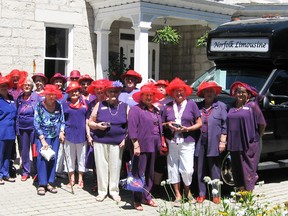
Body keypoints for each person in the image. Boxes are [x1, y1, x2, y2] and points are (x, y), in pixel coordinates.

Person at [162, 77, 202, 207]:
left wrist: (187, 129)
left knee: (187, 169)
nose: (179, 93)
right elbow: (161, 123)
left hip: (187, 141)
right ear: (172, 93)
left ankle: (187, 191)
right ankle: (178, 195)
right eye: (176, 91)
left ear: (186, 92)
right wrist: (168, 124)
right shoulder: (167, 106)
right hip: (172, 142)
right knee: (173, 169)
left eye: (181, 91)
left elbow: (199, 123)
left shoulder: (192, 104)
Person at [88, 80, 128, 202]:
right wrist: (98, 126)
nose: (113, 93)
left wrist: (126, 139)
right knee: (101, 167)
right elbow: (90, 122)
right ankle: (102, 191)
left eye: (115, 91)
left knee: (115, 167)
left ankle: (114, 191)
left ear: (119, 92)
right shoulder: (99, 105)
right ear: (106, 92)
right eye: (110, 91)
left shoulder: (125, 106)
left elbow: (130, 126)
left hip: (117, 142)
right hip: (100, 140)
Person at [128, 83, 164, 211]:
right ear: (141, 96)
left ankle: (147, 196)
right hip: (141, 146)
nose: (149, 97)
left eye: (151, 95)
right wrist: (136, 144)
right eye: (146, 95)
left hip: (153, 146)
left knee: (150, 173)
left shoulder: (156, 110)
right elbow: (132, 128)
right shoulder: (136, 110)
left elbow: (159, 128)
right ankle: (137, 199)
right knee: (139, 173)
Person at [227, 81, 266, 192]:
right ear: (235, 94)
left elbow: (262, 124)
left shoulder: (252, 106)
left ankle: (248, 194)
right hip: (234, 143)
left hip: (249, 143)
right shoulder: (231, 107)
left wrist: (257, 136)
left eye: (243, 92)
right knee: (236, 168)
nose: (241, 94)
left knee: (248, 168)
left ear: (248, 94)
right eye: (238, 92)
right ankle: (241, 191)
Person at [195, 81, 227, 204]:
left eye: (211, 91)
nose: (209, 93)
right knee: (200, 168)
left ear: (215, 93)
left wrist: (223, 141)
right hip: (200, 141)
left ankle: (216, 194)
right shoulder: (197, 106)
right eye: (206, 91)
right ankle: (201, 194)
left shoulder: (221, 106)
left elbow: (225, 124)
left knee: (214, 168)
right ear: (203, 93)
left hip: (214, 141)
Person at [34, 84, 65, 195]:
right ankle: (42, 184)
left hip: (55, 136)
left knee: (52, 158)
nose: (51, 97)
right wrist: (42, 139)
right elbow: (36, 123)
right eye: (49, 95)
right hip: (43, 136)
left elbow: (62, 120)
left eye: (53, 95)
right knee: (42, 159)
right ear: (45, 95)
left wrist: (61, 132)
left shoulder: (59, 105)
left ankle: (50, 182)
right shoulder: (39, 106)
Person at [62, 82, 88, 189]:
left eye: (76, 91)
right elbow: (61, 120)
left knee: (81, 157)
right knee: (69, 157)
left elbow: (88, 119)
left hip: (82, 135)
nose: (74, 93)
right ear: (68, 92)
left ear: (79, 92)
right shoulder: (64, 105)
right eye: (71, 91)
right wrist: (61, 131)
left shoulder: (85, 104)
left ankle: (80, 179)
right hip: (69, 134)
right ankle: (71, 178)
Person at [16, 78, 39, 181]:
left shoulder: (36, 97)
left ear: (32, 87)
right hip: (22, 128)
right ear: (22, 86)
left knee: (35, 150)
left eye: (29, 85)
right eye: (25, 84)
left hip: (33, 128)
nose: (27, 86)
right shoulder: (20, 98)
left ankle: (37, 171)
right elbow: (17, 112)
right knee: (24, 150)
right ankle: (26, 172)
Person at [50, 73, 68, 178]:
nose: (58, 83)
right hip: (51, 124)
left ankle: (59, 170)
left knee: (61, 149)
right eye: (56, 81)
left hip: (63, 123)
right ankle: (52, 170)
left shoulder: (66, 95)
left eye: (60, 81)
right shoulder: (50, 94)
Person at [0, 76, 17, 185]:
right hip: (1, 131)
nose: (4, 87)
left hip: (11, 131)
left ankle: (5, 174)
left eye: (5, 86)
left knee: (7, 155)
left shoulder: (11, 98)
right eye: (1, 86)